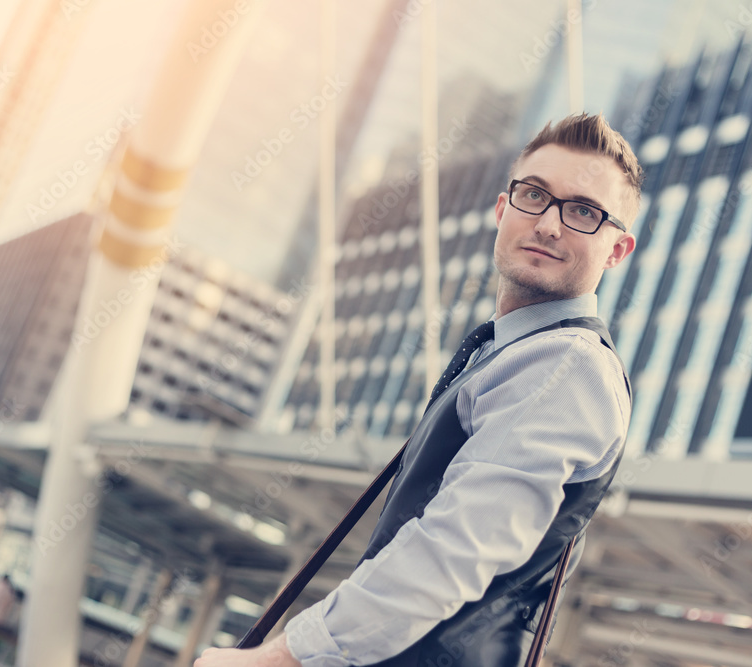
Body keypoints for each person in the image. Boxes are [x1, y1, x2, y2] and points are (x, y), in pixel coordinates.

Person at [195, 112, 641, 666]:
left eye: (583, 212)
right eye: (534, 195)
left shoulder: (567, 363)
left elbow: (453, 548)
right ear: (503, 210)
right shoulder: (509, 352)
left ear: (618, 250)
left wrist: (283, 658)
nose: (549, 225)